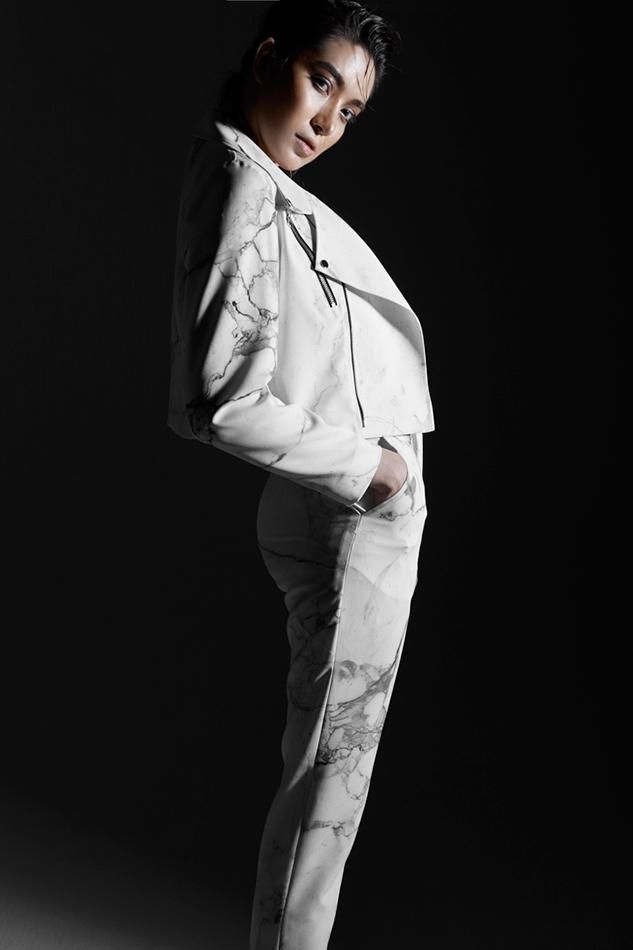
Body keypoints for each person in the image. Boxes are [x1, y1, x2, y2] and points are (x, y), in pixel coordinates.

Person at [166, 1, 435, 946]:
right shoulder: (240, 177)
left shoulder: (266, 185)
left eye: (349, 111)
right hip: (348, 513)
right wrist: (376, 473)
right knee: (327, 796)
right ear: (267, 56)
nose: (326, 123)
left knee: (329, 789)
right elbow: (214, 400)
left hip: (351, 512)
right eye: (320, 82)